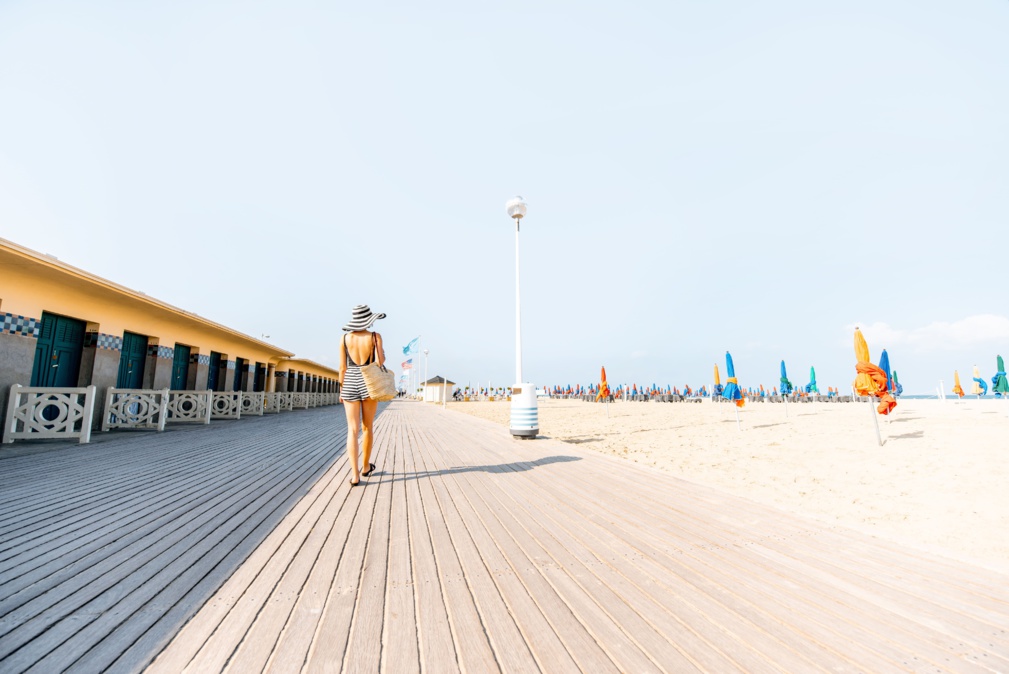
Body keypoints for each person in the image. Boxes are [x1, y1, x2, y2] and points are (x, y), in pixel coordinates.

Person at [339, 304, 386, 487]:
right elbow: (380, 361)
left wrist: (341, 390)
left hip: (349, 381)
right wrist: (376, 348)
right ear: (368, 320)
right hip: (369, 382)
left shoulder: (344, 338)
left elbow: (342, 367)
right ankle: (366, 466)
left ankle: (354, 475)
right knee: (367, 427)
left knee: (352, 429)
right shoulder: (375, 336)